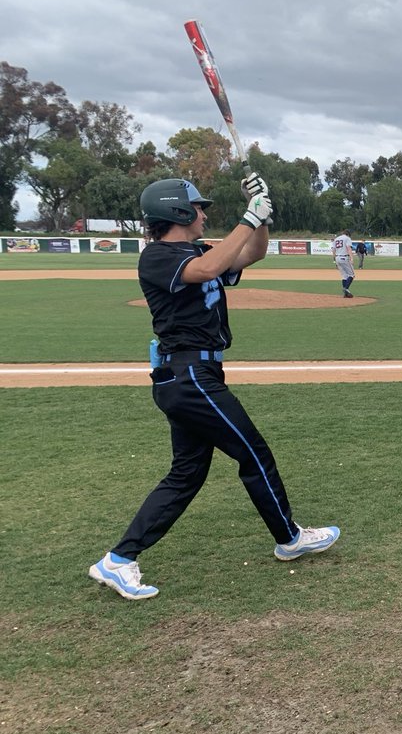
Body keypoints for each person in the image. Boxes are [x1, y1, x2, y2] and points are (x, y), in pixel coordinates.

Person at [88, 176, 340, 601]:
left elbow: (252, 253)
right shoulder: (159, 257)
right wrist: (246, 216)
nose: (204, 214)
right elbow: (206, 270)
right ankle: (289, 537)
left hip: (193, 378)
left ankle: (117, 560)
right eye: (199, 208)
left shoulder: (198, 251)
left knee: (187, 473)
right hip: (188, 377)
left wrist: (259, 212)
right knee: (253, 452)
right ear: (178, 212)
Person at [332, 229, 356, 297]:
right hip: (344, 257)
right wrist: (351, 258)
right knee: (351, 275)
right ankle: (346, 289)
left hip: (337, 258)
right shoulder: (347, 238)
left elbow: (333, 250)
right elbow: (349, 248)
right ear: (348, 234)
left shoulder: (336, 239)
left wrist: (334, 261)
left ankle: (345, 294)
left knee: (344, 276)